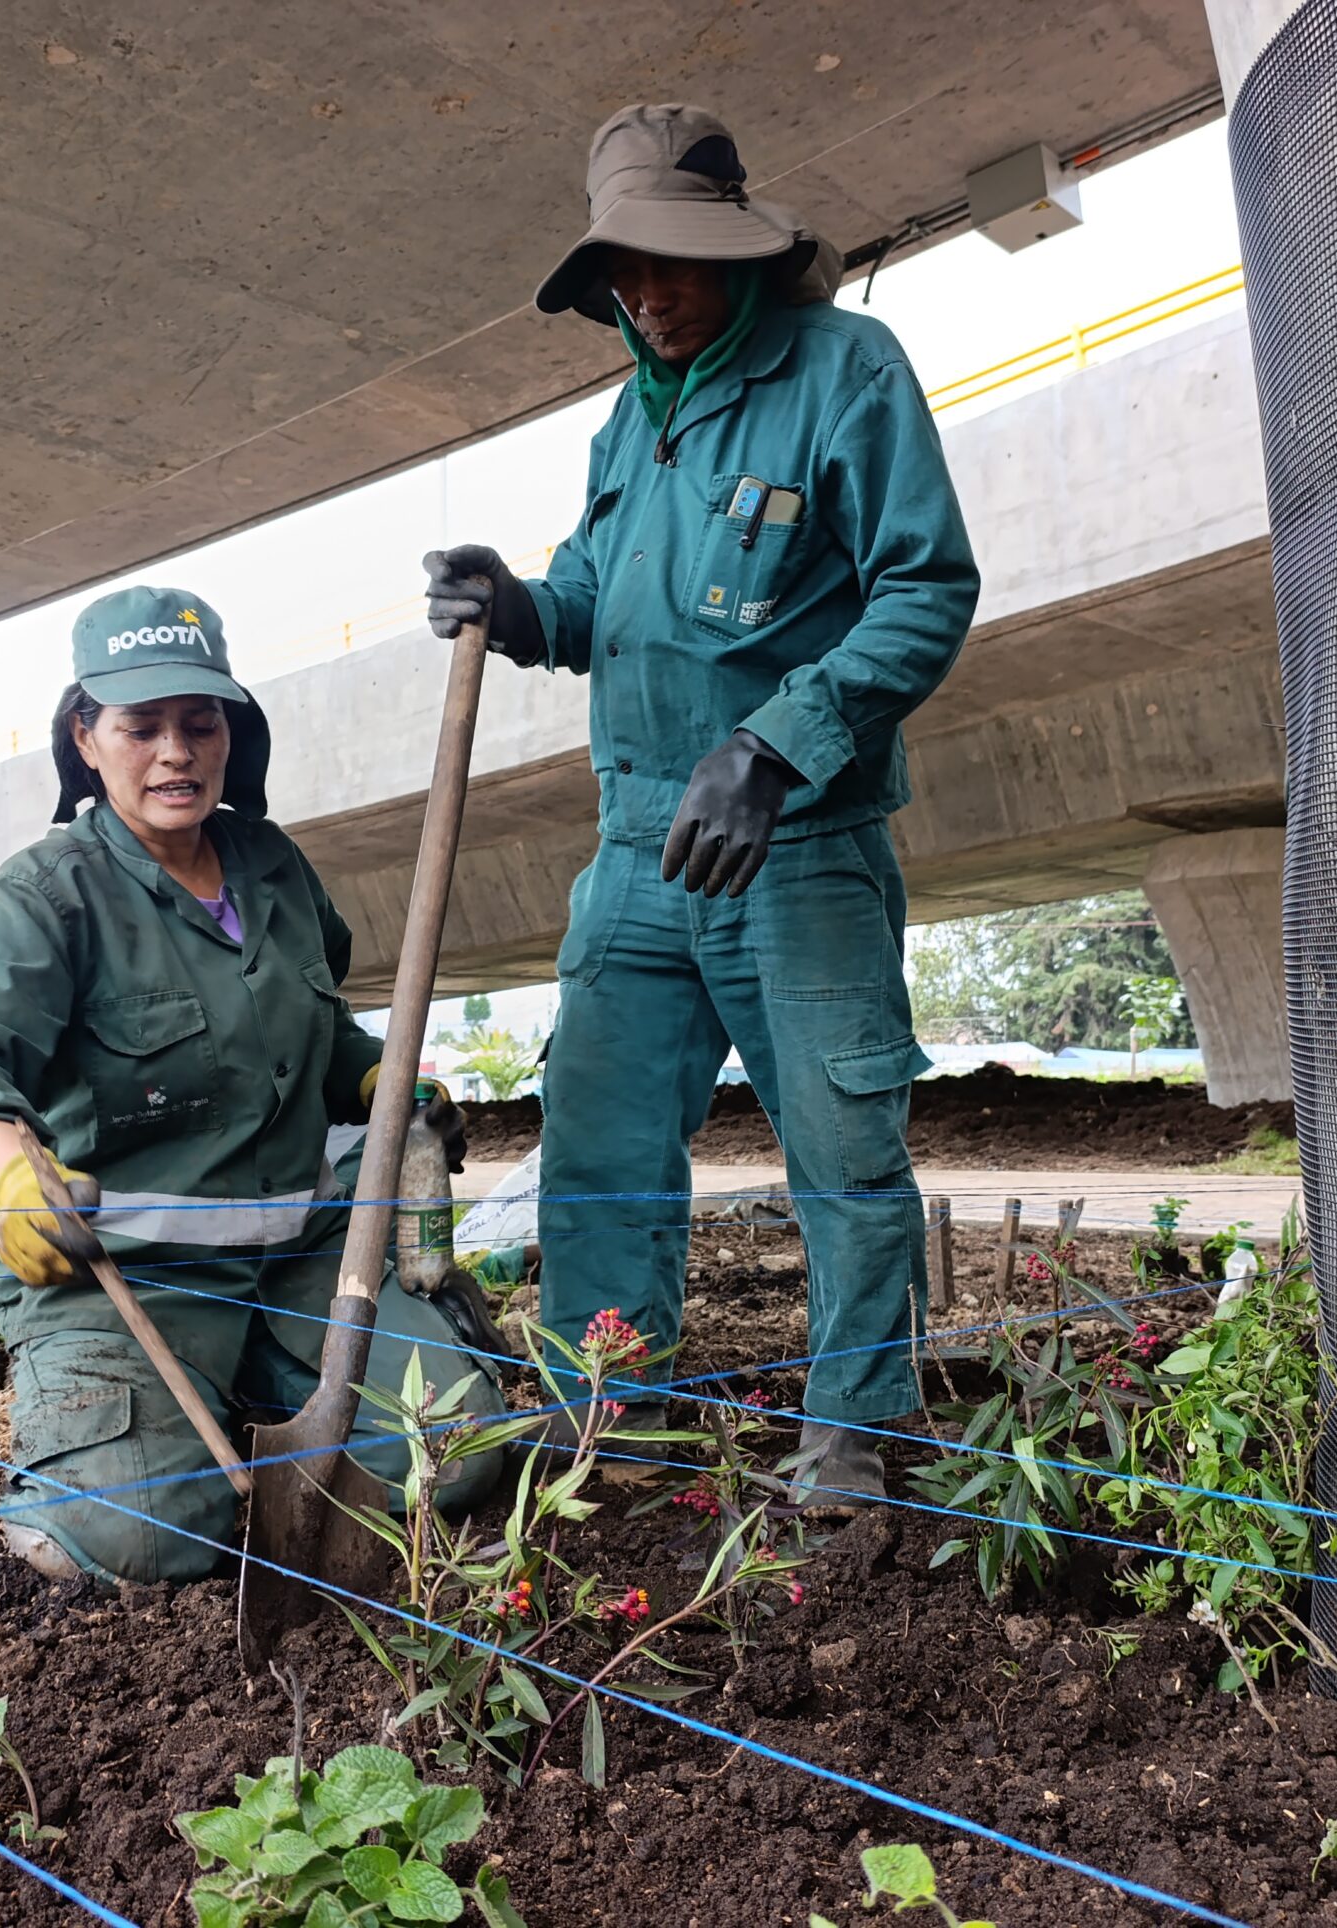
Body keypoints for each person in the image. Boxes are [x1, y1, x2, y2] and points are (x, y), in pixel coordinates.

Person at [421, 103, 980, 1505]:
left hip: (792, 840)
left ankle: (859, 1430)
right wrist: (517, 601)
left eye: (673, 262)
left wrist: (780, 745)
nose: (650, 294)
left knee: (844, 1148)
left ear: (740, 248)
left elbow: (928, 587)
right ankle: (609, 1414)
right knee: (599, 1139)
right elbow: (597, 598)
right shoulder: (629, 422)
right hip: (634, 849)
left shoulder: (849, 372)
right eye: (625, 271)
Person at [0, 585, 503, 1582]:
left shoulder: (273, 867)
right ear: (86, 737)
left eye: (198, 722)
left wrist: (381, 1084)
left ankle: (256, 1390)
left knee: (456, 1452)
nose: (174, 751)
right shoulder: (47, 895)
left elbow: (321, 1033)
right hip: (137, 1273)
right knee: (138, 1536)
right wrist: (13, 1180)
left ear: (231, 733)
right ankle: (104, 1462)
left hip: (307, 1253)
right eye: (142, 727)